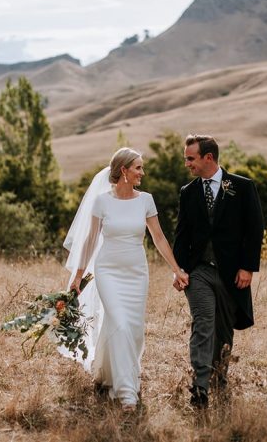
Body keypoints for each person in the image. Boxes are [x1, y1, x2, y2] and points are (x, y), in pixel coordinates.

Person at [63, 147, 189, 410]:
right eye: (138, 167)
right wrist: (78, 275)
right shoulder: (102, 202)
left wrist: (176, 268)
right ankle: (126, 390)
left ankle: (108, 372)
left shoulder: (146, 200)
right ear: (124, 170)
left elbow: (159, 237)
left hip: (136, 272)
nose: (142, 172)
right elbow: (90, 240)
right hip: (108, 270)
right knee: (119, 323)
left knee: (133, 330)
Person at [172, 134, 264, 408]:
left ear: (208, 158)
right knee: (203, 324)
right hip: (198, 271)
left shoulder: (242, 186)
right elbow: (181, 235)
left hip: (231, 273)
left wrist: (248, 267)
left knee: (223, 332)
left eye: (191, 158)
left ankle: (218, 380)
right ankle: (199, 389)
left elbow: (255, 229)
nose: (187, 163)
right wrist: (179, 269)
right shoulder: (187, 192)